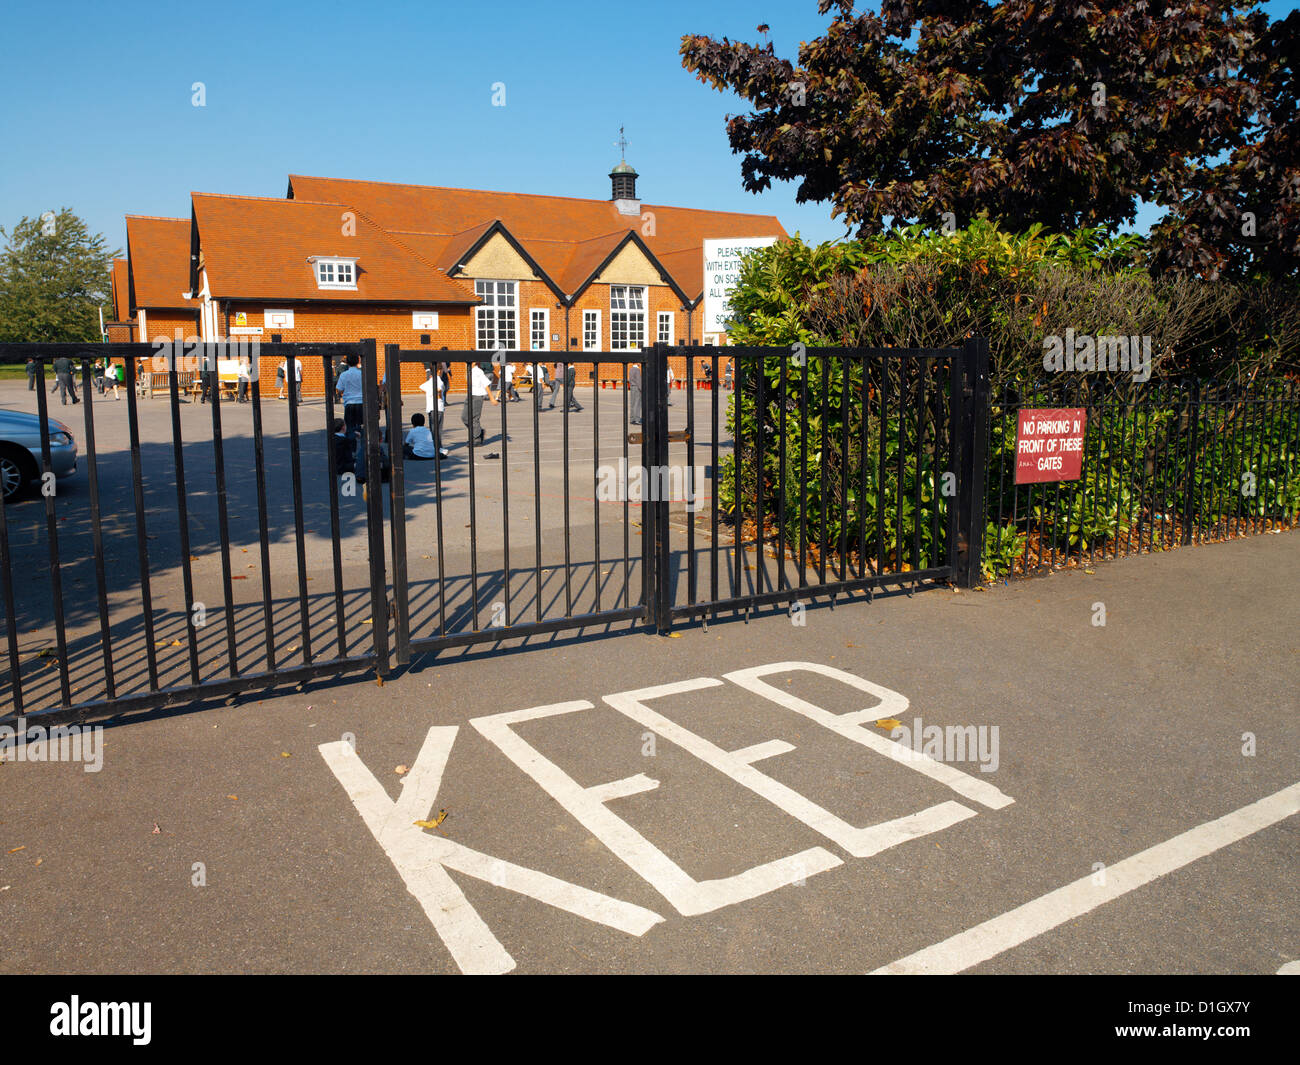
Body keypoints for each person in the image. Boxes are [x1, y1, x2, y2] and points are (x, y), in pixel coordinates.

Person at [461, 361, 499, 444]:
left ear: (474, 362)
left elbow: (486, 384)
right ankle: (479, 431)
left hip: (478, 396)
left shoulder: (478, 371)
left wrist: (492, 398)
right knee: (464, 417)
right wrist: (465, 369)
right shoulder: (469, 370)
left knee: (474, 418)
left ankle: (477, 438)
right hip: (470, 395)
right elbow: (467, 381)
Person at [417, 368, 450, 459]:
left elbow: (421, 387)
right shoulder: (439, 380)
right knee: (437, 430)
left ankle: (434, 447)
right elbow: (439, 389)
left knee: (433, 429)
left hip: (430, 408)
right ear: (438, 371)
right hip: (438, 408)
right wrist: (438, 396)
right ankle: (438, 448)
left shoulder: (430, 381)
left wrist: (430, 393)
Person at [336, 353, 364, 440]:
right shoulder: (362, 374)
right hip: (361, 402)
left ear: (347, 362)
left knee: (350, 428)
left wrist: (343, 393)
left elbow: (339, 389)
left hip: (349, 403)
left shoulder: (344, 375)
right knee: (363, 426)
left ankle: (352, 448)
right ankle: (365, 448)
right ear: (358, 361)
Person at [628, 362, 643, 426]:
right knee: (637, 404)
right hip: (637, 387)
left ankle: (632, 419)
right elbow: (638, 381)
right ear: (637, 363)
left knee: (633, 403)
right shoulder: (637, 370)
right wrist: (642, 389)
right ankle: (637, 419)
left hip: (632, 387)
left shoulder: (631, 369)